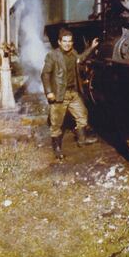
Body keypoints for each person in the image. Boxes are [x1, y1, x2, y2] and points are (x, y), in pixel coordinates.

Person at [41, 28, 99, 160]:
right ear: (59, 42)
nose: (67, 44)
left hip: (73, 93)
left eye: (70, 41)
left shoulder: (73, 53)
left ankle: (82, 140)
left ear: (72, 43)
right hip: (59, 95)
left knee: (82, 115)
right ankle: (57, 149)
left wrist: (91, 48)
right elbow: (45, 74)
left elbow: (81, 59)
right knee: (56, 123)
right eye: (64, 41)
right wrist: (49, 92)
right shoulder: (53, 56)